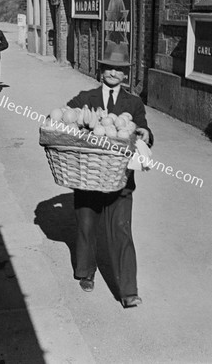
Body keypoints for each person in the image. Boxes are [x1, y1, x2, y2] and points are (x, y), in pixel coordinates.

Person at [66, 62, 153, 308]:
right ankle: (85, 272)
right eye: (108, 68)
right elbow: (65, 115)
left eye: (119, 69)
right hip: (88, 176)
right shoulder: (85, 98)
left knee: (122, 230)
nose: (113, 73)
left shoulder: (133, 103)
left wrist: (145, 132)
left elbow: (143, 126)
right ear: (100, 71)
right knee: (86, 224)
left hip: (121, 178)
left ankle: (128, 291)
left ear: (126, 74)